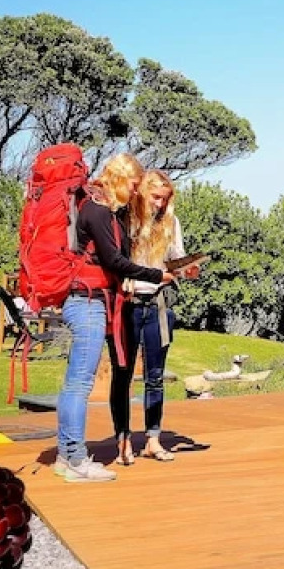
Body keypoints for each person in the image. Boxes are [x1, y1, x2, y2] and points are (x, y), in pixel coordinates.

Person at [56, 153, 170, 483]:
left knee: (72, 383)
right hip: (88, 303)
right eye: (134, 184)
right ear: (120, 179)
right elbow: (115, 260)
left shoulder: (92, 205)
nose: (135, 192)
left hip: (85, 299)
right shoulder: (99, 210)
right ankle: (77, 458)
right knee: (79, 384)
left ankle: (66, 455)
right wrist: (154, 274)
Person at [113, 170, 196, 464]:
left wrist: (189, 269)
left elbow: (177, 258)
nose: (160, 204)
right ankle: (123, 439)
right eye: (155, 197)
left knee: (155, 377)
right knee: (123, 376)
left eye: (165, 199)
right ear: (142, 193)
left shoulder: (171, 223)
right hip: (128, 302)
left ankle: (153, 438)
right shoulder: (125, 219)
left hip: (158, 303)